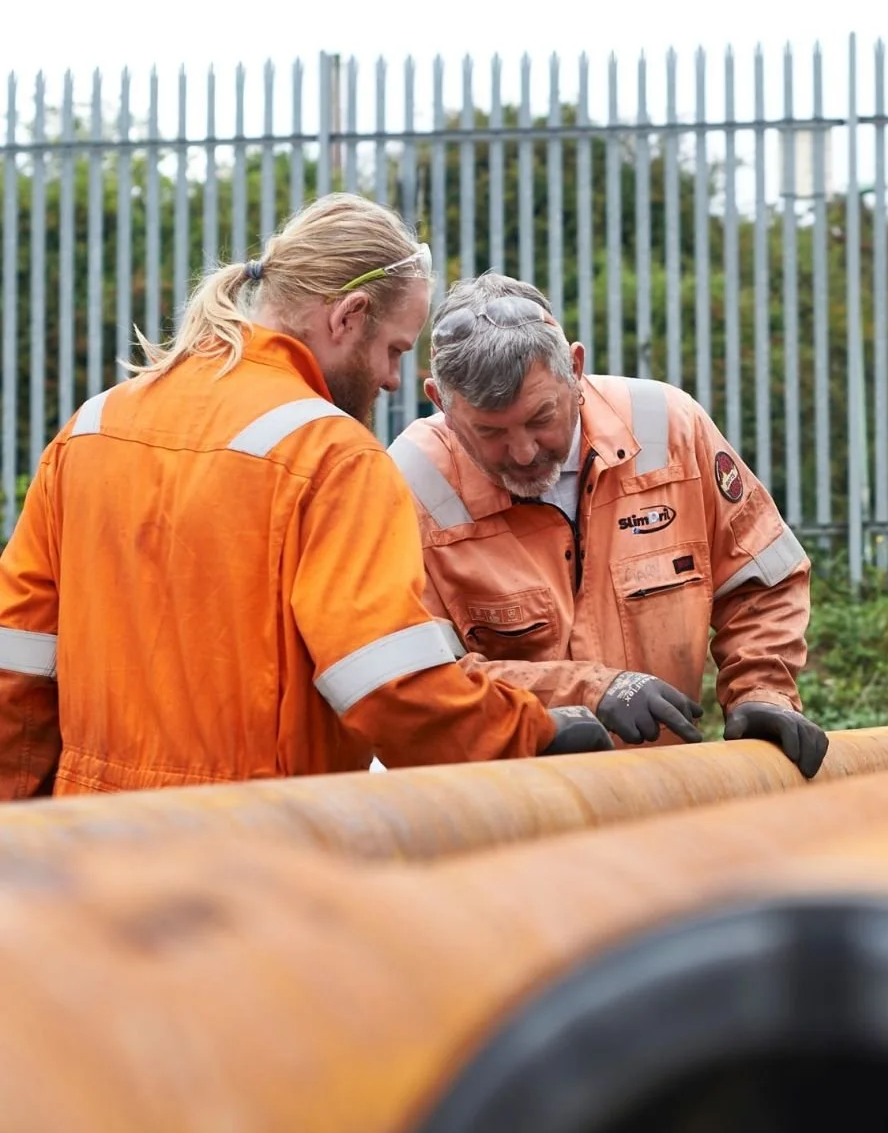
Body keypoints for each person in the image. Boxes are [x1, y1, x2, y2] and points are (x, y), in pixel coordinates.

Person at [0, 196, 609, 799]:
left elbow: (17, 666)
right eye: (395, 349)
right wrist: (532, 733)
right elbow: (388, 683)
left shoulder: (91, 427)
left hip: (92, 847)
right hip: (263, 843)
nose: (394, 379)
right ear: (349, 316)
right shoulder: (332, 456)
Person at [388, 273, 828, 778]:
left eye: (541, 418)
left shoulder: (669, 428)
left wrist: (761, 690)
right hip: (510, 810)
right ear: (439, 402)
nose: (524, 451)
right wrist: (590, 692)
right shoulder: (412, 484)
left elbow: (761, 580)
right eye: (489, 433)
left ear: (575, 368)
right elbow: (425, 681)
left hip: (669, 797)